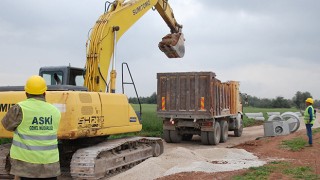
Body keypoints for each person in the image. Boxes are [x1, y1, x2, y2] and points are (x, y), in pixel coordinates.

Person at [1, 75, 61, 180]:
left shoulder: (19, 109)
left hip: (26, 168)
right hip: (50, 166)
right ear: (44, 93)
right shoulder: (55, 111)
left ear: (26, 93)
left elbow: (7, 125)